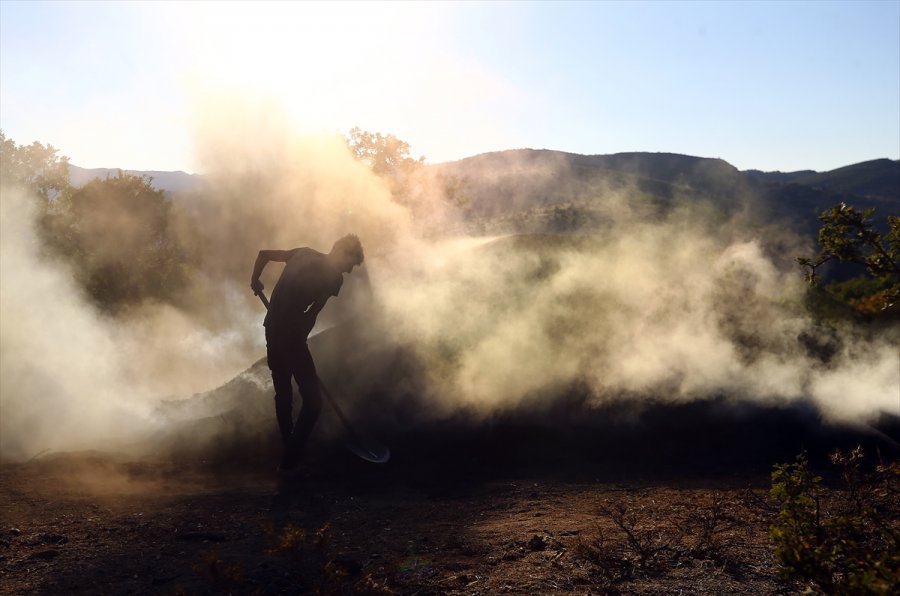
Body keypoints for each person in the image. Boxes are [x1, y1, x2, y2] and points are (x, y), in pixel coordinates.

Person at [250, 234, 364, 474]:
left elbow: (263, 255)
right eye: (351, 263)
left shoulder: (302, 253)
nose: (350, 271)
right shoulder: (334, 278)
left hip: (271, 329)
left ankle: (289, 454)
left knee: (283, 394)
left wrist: (255, 278)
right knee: (313, 401)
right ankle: (291, 456)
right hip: (290, 336)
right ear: (343, 254)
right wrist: (298, 336)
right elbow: (312, 314)